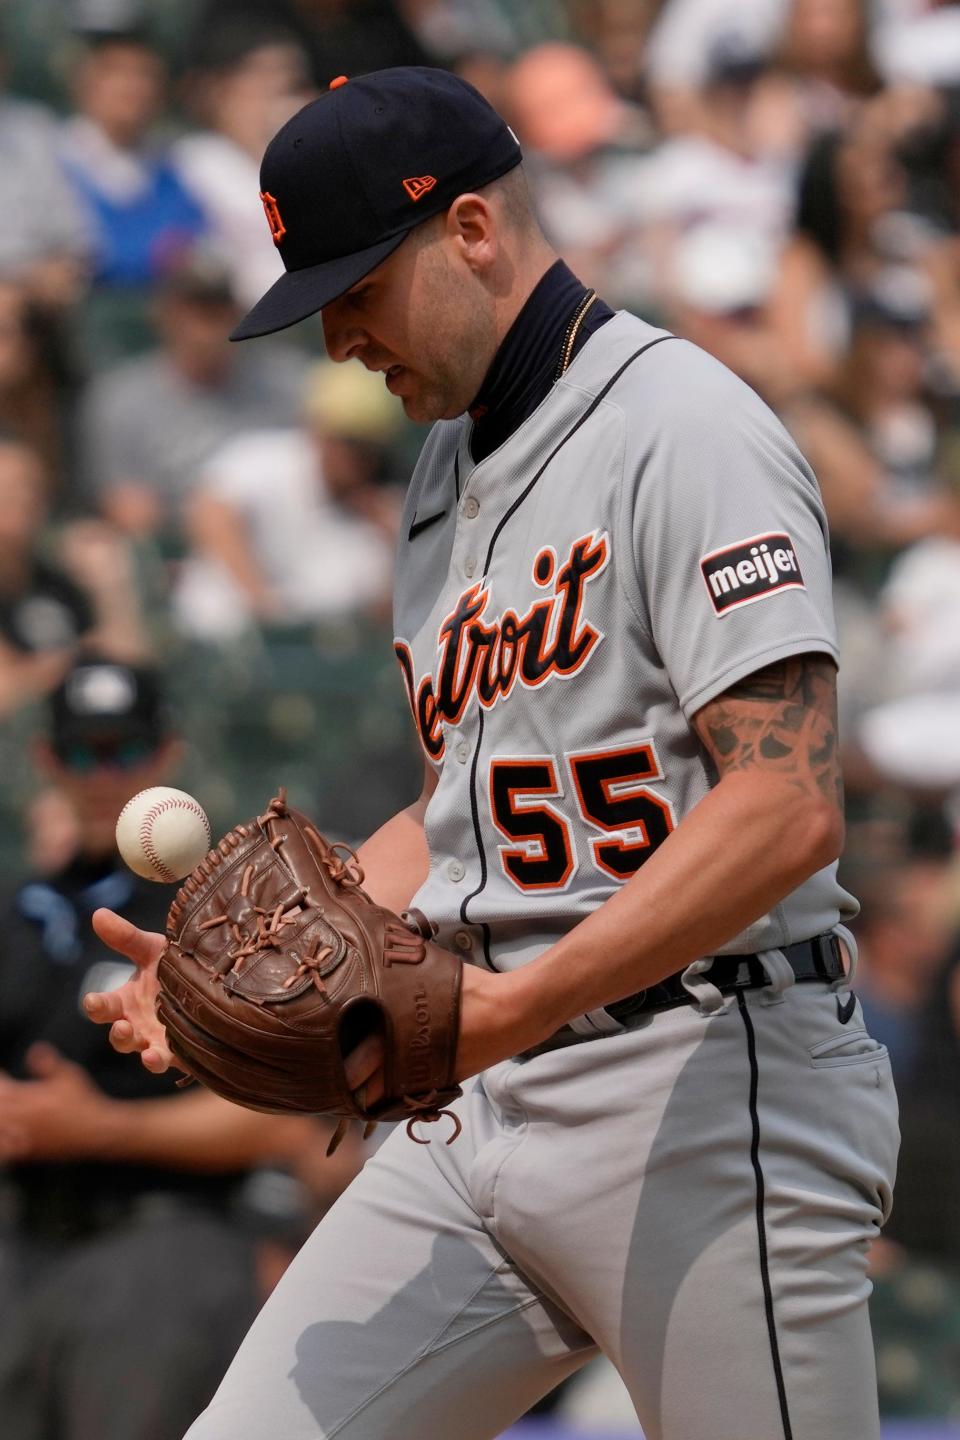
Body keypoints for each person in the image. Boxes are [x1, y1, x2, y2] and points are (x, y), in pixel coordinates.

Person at [85, 68, 900, 1440]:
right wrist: (255, 965)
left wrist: (513, 1013)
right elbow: (458, 803)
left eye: (357, 287)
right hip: (483, 1113)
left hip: (707, 1086)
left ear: (471, 230)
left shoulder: (682, 426)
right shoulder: (435, 479)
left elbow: (787, 803)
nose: (339, 336)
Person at [0, 651, 321, 1440]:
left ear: (166, 754)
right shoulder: (22, 911)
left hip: (167, 1244)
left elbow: (290, 1122)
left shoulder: (227, 912)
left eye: (125, 750)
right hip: (22, 1240)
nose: (103, 773)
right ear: (48, 760)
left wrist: (99, 1128)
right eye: (82, 751)